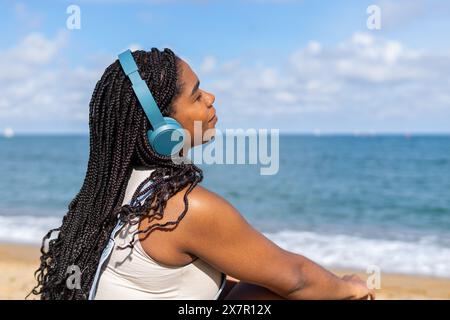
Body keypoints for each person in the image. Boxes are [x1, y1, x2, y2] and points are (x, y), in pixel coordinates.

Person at [29, 48, 375, 300]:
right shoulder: (186, 208)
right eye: (196, 95)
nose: (210, 98)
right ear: (162, 128)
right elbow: (297, 278)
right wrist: (350, 287)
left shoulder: (114, 191)